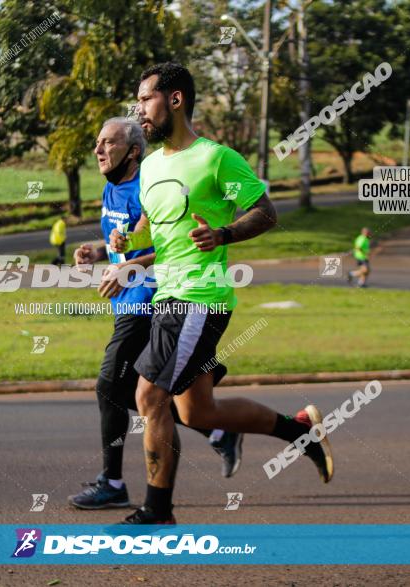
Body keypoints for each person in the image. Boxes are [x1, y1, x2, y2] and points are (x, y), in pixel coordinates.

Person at [110, 63, 333, 525]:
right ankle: (301, 432)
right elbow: (156, 226)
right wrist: (126, 246)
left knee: (149, 395)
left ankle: (156, 509)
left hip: (200, 297)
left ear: (175, 100)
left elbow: (265, 212)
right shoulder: (151, 166)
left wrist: (224, 234)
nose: (140, 111)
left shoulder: (216, 159)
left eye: (146, 99)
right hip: (167, 294)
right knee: (196, 411)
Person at [68, 117, 243, 511]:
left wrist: (130, 268)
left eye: (108, 143)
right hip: (126, 302)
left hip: (148, 300)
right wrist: (98, 253)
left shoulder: (148, 187)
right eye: (97, 142)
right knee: (142, 393)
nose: (98, 150)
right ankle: (218, 431)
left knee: (110, 384)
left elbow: (170, 248)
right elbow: (125, 242)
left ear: (132, 151)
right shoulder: (110, 190)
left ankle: (113, 482)